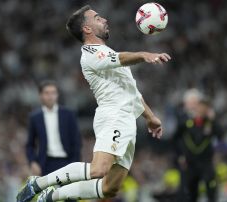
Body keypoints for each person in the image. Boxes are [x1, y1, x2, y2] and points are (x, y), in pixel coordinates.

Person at [16, 5, 171, 202]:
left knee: (110, 188)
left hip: (127, 120)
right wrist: (144, 54)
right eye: (97, 18)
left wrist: (150, 117)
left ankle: (51, 196)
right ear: (87, 29)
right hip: (113, 115)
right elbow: (121, 58)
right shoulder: (90, 53)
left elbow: (132, 93)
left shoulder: (106, 52)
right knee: (98, 169)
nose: (104, 19)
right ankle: (38, 183)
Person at [173, 89, 223, 202]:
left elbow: (220, 135)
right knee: (189, 192)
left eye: (197, 104)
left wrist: (212, 119)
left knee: (211, 188)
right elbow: (175, 138)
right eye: (193, 104)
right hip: (190, 163)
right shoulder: (185, 120)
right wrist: (180, 155)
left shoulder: (209, 121)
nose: (196, 107)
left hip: (206, 162)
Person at [26, 80, 81, 177]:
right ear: (40, 95)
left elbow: (76, 141)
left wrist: (74, 163)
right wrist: (33, 162)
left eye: (53, 93)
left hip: (67, 161)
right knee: (47, 192)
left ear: (57, 95)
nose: (50, 96)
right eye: (47, 93)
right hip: (45, 163)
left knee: (67, 191)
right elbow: (30, 144)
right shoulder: (35, 117)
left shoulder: (68, 114)